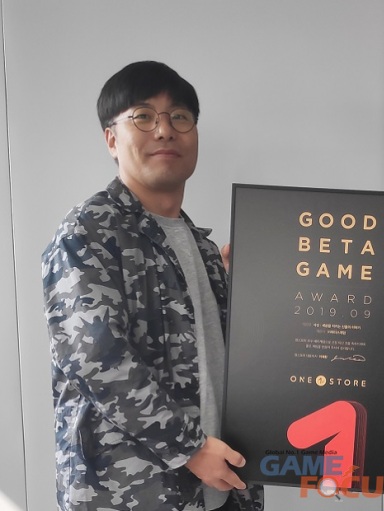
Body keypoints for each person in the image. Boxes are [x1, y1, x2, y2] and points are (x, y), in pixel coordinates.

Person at [42, 61, 263, 511]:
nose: (164, 130)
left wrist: (252, 294)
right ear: (111, 139)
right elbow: (97, 358)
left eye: (180, 117)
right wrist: (191, 448)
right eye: (143, 116)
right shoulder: (89, 231)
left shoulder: (203, 247)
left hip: (223, 491)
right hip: (131, 496)